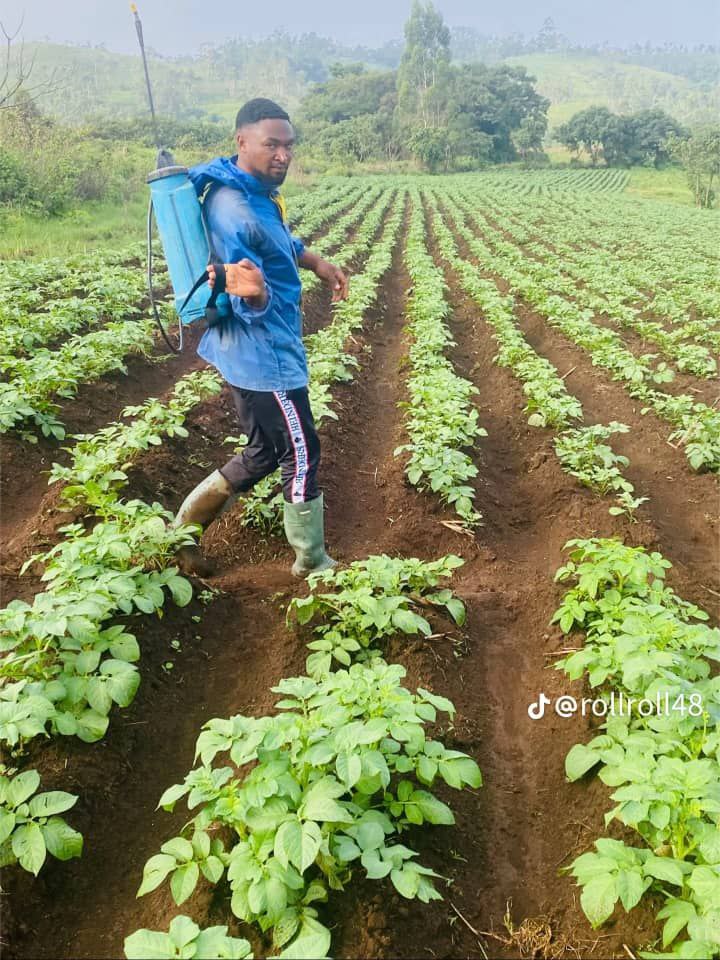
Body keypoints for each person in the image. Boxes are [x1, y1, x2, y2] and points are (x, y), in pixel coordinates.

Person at [172, 98, 349, 578]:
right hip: (264, 354)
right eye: (272, 144)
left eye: (289, 146)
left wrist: (315, 261)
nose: (283, 155)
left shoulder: (251, 193)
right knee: (301, 451)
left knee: (264, 451)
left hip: (252, 352)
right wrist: (256, 297)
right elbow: (244, 291)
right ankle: (312, 562)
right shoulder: (235, 211)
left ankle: (183, 533)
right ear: (242, 141)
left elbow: (278, 242)